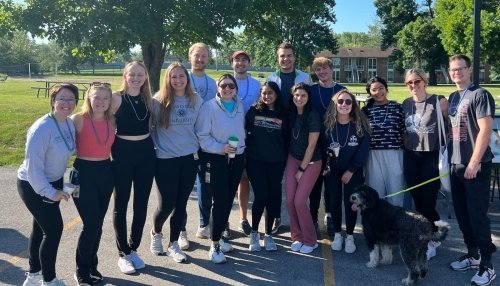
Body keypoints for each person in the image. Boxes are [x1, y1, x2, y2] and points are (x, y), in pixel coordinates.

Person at [18, 83, 78, 286]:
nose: (66, 103)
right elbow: (33, 168)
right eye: (62, 98)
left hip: (53, 180)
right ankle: (49, 280)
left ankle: (33, 275)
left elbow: (72, 149)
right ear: (53, 100)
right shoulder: (41, 128)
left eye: (71, 99)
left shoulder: (68, 124)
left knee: (40, 227)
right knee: (53, 230)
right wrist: (50, 192)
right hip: (34, 184)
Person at [447, 54, 497, 286]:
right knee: (462, 214)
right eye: (453, 69)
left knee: (477, 216)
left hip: (474, 165)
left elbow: (486, 129)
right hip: (456, 165)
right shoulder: (454, 96)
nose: (456, 72)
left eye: (460, 68)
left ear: (469, 70)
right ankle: (473, 254)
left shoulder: (480, 94)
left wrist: (474, 163)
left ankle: (487, 265)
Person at [149, 62, 202, 263]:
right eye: (174, 77)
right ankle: (156, 232)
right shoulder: (157, 101)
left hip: (189, 159)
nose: (178, 80)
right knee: (166, 205)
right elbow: (149, 129)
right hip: (165, 160)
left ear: (187, 78)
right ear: (168, 79)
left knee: (181, 204)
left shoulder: (195, 99)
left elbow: (200, 128)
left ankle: (173, 244)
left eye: (182, 76)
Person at [195, 74, 246, 263]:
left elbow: (241, 129)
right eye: (223, 85)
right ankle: (214, 244)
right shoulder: (209, 107)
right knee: (220, 201)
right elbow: (202, 136)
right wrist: (220, 148)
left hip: (237, 157)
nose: (227, 89)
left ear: (236, 89)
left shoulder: (239, 104)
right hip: (217, 158)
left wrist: (239, 147)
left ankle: (221, 238)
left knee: (228, 199)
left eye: (231, 86)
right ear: (218, 87)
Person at [111, 61, 155, 274]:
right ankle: (123, 253)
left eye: (140, 74)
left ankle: (133, 248)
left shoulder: (148, 99)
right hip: (123, 152)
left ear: (145, 77)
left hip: (146, 152)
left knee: (141, 204)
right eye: (132, 74)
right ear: (125, 76)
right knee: (121, 204)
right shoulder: (115, 98)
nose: (136, 78)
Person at [71, 82, 115, 285]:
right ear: (89, 97)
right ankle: (81, 270)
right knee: (91, 224)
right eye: (97, 97)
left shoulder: (112, 120)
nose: (101, 102)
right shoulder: (78, 119)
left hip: (106, 172)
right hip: (83, 173)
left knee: (98, 224)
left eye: (105, 98)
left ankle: (92, 265)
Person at [401, 69, 448, 260]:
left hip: (432, 155)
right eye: (409, 82)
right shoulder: (406, 103)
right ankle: (431, 232)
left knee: (427, 201)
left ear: (425, 81)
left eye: (417, 81)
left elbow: (450, 124)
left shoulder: (439, 101)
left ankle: (431, 238)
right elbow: (404, 130)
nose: (413, 85)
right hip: (412, 155)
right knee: (417, 200)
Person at [267, 42, 311, 234]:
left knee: (300, 179)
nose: (286, 59)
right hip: (277, 133)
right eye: (282, 56)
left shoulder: (304, 77)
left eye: (289, 55)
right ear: (277, 58)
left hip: (299, 133)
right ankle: (278, 218)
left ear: (295, 57)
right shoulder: (271, 78)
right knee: (278, 179)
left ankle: (304, 218)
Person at [325, 90, 370, 254]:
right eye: (341, 101)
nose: (344, 105)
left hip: (353, 170)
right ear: (335, 104)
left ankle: (350, 235)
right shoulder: (328, 124)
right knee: (335, 200)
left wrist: (351, 170)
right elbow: (321, 145)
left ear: (353, 105)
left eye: (348, 102)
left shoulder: (360, 125)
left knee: (351, 202)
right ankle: (338, 234)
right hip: (333, 169)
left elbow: (363, 151)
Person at [245, 82, 288, 251]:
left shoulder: (284, 114)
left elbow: (287, 139)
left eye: (270, 93)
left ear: (276, 94)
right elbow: (243, 132)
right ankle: (255, 233)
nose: (267, 96)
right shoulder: (253, 111)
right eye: (264, 93)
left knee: (272, 197)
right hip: (256, 161)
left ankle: (268, 234)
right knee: (261, 196)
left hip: (276, 162)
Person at [309, 56, 346, 236]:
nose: (322, 72)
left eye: (325, 68)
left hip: (335, 142)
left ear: (331, 69)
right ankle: (313, 216)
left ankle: (330, 214)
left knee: (333, 184)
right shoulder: (311, 90)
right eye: (318, 69)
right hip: (314, 143)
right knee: (315, 184)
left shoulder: (341, 90)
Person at [285, 83, 322, 254]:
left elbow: (312, 145)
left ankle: (310, 240)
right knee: (290, 200)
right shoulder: (291, 113)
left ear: (308, 98)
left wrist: (301, 170)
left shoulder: (313, 115)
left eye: (303, 96)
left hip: (311, 161)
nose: (299, 98)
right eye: (296, 95)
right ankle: (297, 236)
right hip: (293, 158)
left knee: (300, 201)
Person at [187, 42, 219, 244]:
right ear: (190, 56)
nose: (200, 59)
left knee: (205, 183)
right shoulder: (183, 78)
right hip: (185, 140)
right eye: (196, 55)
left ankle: (204, 222)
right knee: (182, 187)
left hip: (206, 140)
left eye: (204, 56)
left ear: (208, 58)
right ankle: (179, 231)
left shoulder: (213, 83)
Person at [231, 50, 261, 236]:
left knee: (244, 178)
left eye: (244, 60)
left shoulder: (256, 85)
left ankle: (243, 218)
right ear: (231, 63)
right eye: (237, 60)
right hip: (228, 136)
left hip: (249, 137)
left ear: (249, 63)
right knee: (227, 179)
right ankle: (223, 218)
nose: (241, 63)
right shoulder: (225, 82)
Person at [362, 76, 405, 207]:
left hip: (394, 154)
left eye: (381, 88)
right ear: (369, 92)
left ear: (386, 89)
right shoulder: (365, 111)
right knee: (375, 192)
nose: (378, 92)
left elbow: (404, 132)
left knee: (396, 191)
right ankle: (378, 224)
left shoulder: (397, 107)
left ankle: (397, 223)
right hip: (372, 155)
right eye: (374, 90)